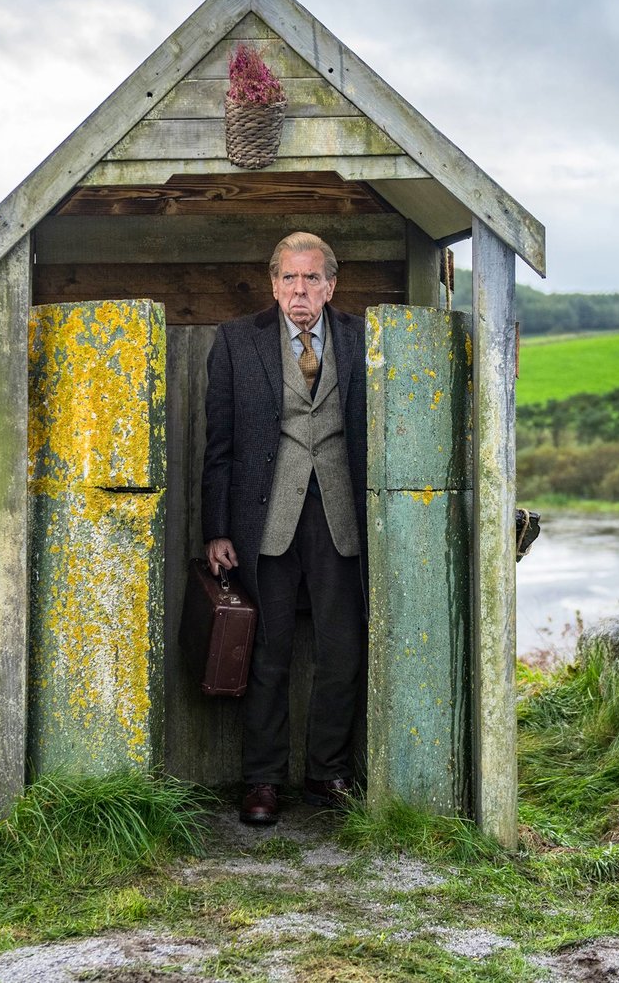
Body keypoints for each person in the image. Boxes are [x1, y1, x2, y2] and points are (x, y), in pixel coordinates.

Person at [201, 231, 369, 825]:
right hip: (264, 521)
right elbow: (218, 445)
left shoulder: (361, 339)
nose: (300, 291)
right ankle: (263, 781)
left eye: (312, 279)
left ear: (330, 285)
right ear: (274, 284)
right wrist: (216, 529)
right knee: (266, 654)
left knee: (342, 650)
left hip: (341, 519)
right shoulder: (235, 341)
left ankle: (328, 773)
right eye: (289, 279)